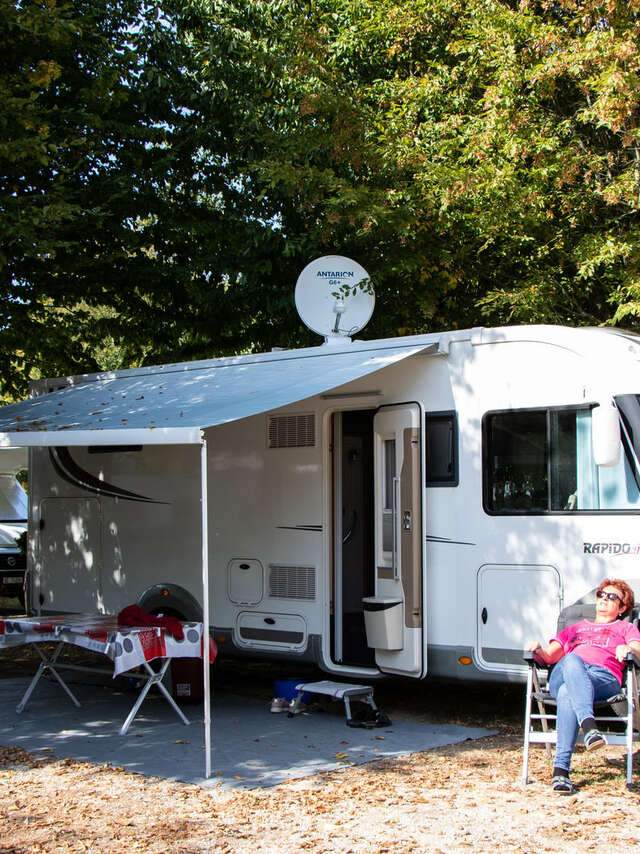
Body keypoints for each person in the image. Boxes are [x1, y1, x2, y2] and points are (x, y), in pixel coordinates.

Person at [526, 577, 640, 794]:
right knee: (571, 661)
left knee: (568, 691)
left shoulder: (626, 629)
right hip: (566, 672)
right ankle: (588, 726)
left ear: (622, 607)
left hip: (602, 679)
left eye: (612, 597)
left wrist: (628, 649)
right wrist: (537, 650)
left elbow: (638, 650)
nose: (604, 599)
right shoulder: (575, 628)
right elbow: (550, 657)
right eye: (601, 595)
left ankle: (561, 772)